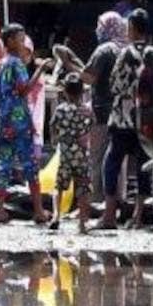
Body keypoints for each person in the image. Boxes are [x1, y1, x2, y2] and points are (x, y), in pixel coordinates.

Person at [55, 11, 128, 201]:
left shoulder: (104, 50)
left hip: (102, 113)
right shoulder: (125, 48)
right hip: (123, 114)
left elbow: (88, 78)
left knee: (97, 159)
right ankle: (117, 200)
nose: (97, 30)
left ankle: (97, 200)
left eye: (100, 26)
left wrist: (68, 64)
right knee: (119, 161)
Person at [99, 9, 152, 229]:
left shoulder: (127, 53)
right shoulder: (152, 52)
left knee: (111, 164)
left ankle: (109, 215)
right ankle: (138, 217)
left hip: (123, 120)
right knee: (142, 167)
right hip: (144, 119)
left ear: (132, 29)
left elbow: (115, 85)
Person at [0, 24, 48, 225]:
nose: (23, 42)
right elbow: (25, 90)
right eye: (20, 38)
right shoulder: (17, 64)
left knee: (4, 164)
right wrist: (40, 69)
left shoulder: (0, 64)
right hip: (20, 120)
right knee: (29, 165)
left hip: (4, 119)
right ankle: (39, 211)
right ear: (9, 41)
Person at [49, 73, 93, 234]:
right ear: (82, 92)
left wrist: (56, 141)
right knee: (82, 188)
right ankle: (82, 222)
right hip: (81, 155)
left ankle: (56, 216)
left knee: (59, 186)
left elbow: (53, 126)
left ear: (65, 92)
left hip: (66, 154)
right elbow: (91, 126)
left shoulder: (61, 109)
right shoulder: (86, 110)